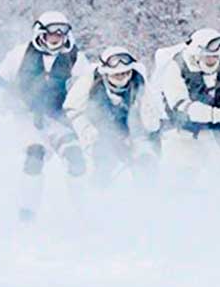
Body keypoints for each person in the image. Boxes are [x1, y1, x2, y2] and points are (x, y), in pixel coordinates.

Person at [0, 11, 87, 221]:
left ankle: (84, 210)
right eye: (52, 34)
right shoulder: (20, 53)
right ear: (41, 34)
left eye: (60, 35)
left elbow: (87, 90)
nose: (56, 39)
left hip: (59, 118)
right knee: (34, 156)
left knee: (75, 158)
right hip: (27, 117)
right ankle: (27, 214)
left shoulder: (75, 58)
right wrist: (9, 101)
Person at [150, 26, 220, 173]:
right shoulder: (177, 67)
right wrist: (215, 115)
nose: (213, 60)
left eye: (216, 56)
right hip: (183, 134)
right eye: (208, 56)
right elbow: (180, 104)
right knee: (186, 174)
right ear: (196, 53)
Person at [62, 45, 158, 186]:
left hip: (134, 133)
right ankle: (99, 197)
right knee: (104, 163)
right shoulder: (91, 81)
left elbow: (152, 118)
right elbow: (72, 109)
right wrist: (89, 132)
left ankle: (147, 198)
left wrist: (143, 141)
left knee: (146, 165)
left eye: (125, 73)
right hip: (99, 133)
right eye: (116, 74)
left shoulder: (140, 84)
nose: (122, 77)